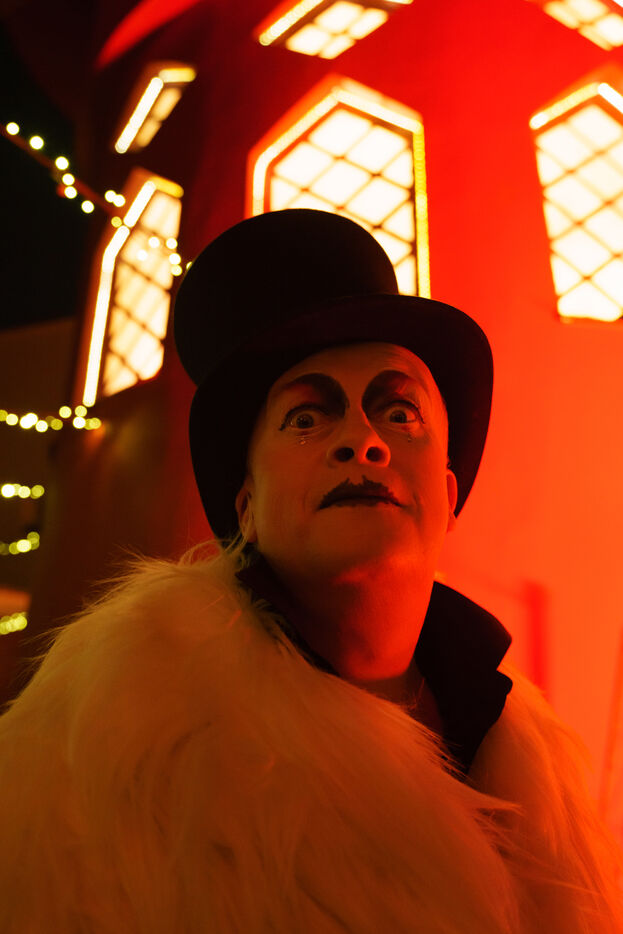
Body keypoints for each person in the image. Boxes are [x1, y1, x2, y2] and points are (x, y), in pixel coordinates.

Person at [0, 209, 621, 932]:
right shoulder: (109, 747)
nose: (362, 440)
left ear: (448, 493)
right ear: (247, 506)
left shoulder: (523, 761)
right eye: (305, 419)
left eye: (399, 412)